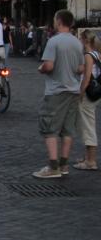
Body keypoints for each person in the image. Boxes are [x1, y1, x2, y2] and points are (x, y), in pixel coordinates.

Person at [32, 10, 84, 179]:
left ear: (59, 21)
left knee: (50, 128)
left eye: (55, 20)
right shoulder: (77, 42)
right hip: (73, 90)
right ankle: (64, 164)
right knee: (68, 129)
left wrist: (41, 69)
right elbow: (81, 68)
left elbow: (48, 66)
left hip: (56, 90)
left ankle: (53, 166)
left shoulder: (53, 41)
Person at [74, 29, 100, 171]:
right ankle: (87, 157)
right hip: (96, 95)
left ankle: (91, 161)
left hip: (88, 95)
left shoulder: (88, 56)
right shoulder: (97, 54)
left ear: (84, 40)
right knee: (87, 124)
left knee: (88, 126)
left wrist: (81, 93)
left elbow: (87, 77)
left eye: (80, 39)